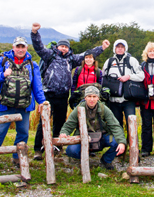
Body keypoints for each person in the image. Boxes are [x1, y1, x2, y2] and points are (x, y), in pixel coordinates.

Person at [31, 22, 110, 160]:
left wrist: (102, 48)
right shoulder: (49, 55)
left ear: (69, 49)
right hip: (48, 93)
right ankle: (38, 148)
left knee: (60, 122)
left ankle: (56, 146)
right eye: (62, 46)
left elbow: (88, 54)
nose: (64, 48)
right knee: (43, 121)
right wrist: (34, 33)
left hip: (63, 95)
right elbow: (38, 47)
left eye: (66, 47)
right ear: (57, 47)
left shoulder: (72, 59)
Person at [0, 37, 46, 172]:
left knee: (23, 133)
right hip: (4, 105)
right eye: (18, 47)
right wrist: (3, 75)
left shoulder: (32, 64)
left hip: (24, 105)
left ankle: (18, 157)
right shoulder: (2, 61)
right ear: (13, 47)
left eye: (23, 47)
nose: (20, 49)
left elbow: (37, 85)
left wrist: (41, 101)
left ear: (26, 48)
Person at [59, 86, 127, 170]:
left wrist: (122, 142)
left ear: (98, 98)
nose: (92, 99)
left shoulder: (103, 109)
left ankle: (106, 160)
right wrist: (64, 133)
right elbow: (68, 125)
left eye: (94, 96)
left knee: (116, 142)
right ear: (85, 98)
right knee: (70, 151)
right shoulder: (78, 109)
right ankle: (84, 158)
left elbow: (115, 126)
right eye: (89, 96)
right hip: (82, 136)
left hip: (101, 136)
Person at [102, 39, 144, 136]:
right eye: (118, 47)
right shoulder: (109, 62)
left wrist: (129, 77)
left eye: (122, 47)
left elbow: (141, 76)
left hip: (128, 99)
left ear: (125, 48)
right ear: (114, 48)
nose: (120, 49)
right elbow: (103, 78)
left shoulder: (131, 60)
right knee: (116, 125)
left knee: (131, 124)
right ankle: (119, 147)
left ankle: (133, 148)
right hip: (113, 100)